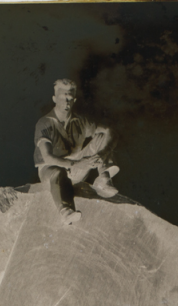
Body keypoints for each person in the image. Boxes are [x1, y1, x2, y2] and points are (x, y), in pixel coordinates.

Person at [34, 79, 120, 225]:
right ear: (54, 99)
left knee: (101, 137)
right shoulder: (45, 123)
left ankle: (103, 179)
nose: (66, 102)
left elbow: (110, 131)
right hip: (50, 170)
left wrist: (103, 153)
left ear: (74, 100)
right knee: (58, 172)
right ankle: (65, 211)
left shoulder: (80, 121)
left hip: (77, 168)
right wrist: (76, 164)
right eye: (62, 97)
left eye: (69, 98)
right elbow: (47, 157)